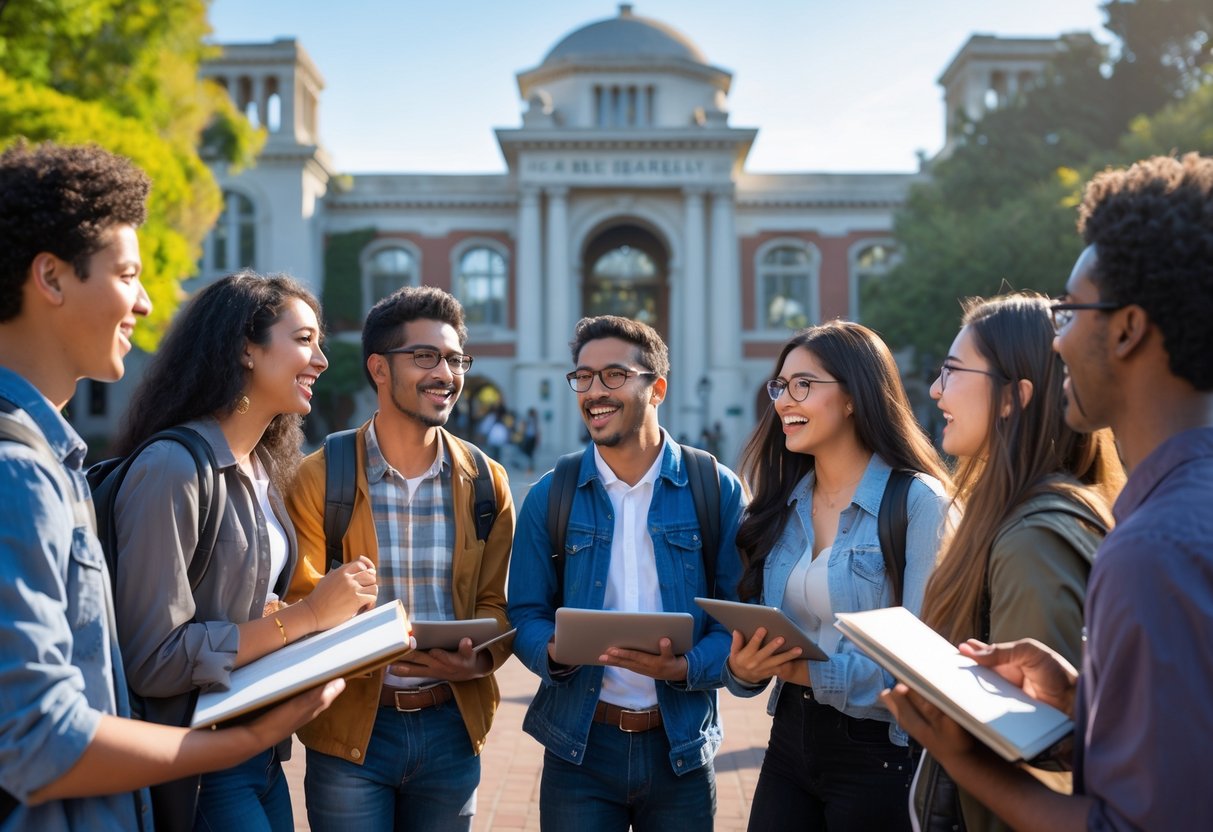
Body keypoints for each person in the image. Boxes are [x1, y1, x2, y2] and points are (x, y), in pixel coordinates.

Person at [0, 141, 342, 832]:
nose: (148, 302)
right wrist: (291, 638)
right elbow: (40, 734)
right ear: (52, 278)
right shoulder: (23, 470)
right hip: (192, 769)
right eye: (128, 274)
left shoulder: (53, 458)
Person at [883, 153, 1213, 832]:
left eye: (1066, 313)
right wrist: (1079, 698)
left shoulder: (1150, 550)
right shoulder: (1174, 516)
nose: (1055, 342)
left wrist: (966, 760)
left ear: (1124, 328)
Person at [109, 271, 379, 831]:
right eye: (304, 339)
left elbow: (235, 611)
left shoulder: (261, 470)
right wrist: (307, 616)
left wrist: (325, 628)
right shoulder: (173, 468)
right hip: (200, 760)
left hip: (259, 751)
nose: (322, 359)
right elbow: (153, 659)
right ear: (246, 349)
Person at [284, 285, 515, 832]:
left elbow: (499, 606)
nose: (446, 373)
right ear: (379, 369)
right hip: (352, 730)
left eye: (455, 359)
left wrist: (478, 659)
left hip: (452, 727)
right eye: (425, 356)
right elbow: (297, 602)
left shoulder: (486, 481)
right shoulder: (320, 476)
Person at [508, 315, 747, 832]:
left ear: (656, 387)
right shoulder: (552, 494)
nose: (594, 391)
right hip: (580, 751)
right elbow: (524, 612)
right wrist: (551, 651)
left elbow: (737, 620)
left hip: (681, 746)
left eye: (613, 375)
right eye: (584, 377)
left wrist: (684, 669)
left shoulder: (716, 489)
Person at [723, 321, 952, 832]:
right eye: (779, 386)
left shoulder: (918, 504)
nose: (784, 400)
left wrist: (809, 672)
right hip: (790, 736)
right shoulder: (782, 507)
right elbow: (756, 659)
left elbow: (920, 670)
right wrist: (745, 667)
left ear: (853, 396)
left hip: (879, 753)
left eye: (804, 384)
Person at [912, 294, 1124, 832]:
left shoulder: (1031, 541)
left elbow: (1042, 763)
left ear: (1013, 397)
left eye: (953, 371)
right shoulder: (1026, 517)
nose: (937, 390)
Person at [520, 406, 541, 474]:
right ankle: (529, 466)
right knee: (528, 452)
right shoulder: (529, 420)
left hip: (531, 438)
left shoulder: (534, 420)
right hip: (529, 437)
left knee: (530, 453)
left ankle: (530, 467)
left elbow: (537, 430)